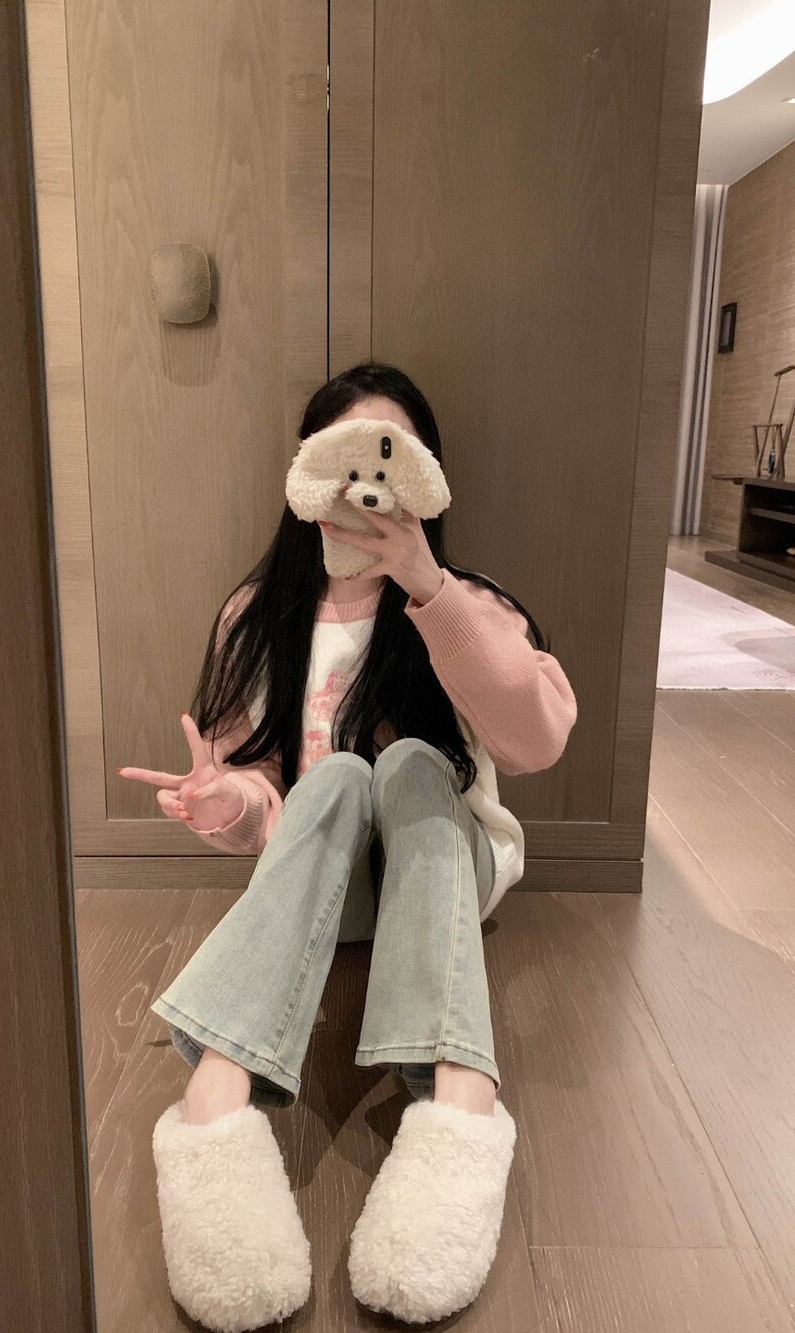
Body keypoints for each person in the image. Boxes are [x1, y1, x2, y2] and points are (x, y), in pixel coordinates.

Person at [117, 361, 578, 1332]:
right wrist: (226, 801)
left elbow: (535, 742)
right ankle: (216, 1097)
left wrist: (427, 585)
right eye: (342, 461)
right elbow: (264, 800)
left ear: (426, 480)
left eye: (390, 460)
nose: (365, 488)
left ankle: (462, 1094)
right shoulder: (260, 615)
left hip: (444, 869)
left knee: (408, 761)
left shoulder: (470, 600)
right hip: (326, 885)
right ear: (304, 476)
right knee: (330, 780)